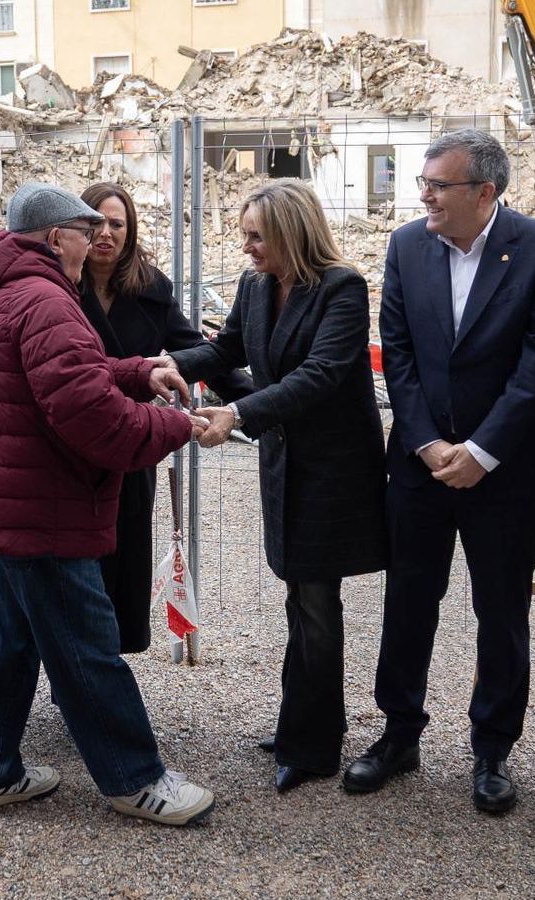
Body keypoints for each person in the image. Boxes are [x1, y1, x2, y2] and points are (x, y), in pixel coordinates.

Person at [0, 182, 215, 826]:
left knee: (6, 643)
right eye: (85, 225)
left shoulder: (12, 290)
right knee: (87, 650)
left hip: (14, 501)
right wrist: (180, 428)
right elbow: (92, 419)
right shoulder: (44, 299)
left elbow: (71, 374)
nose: (98, 235)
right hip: (48, 508)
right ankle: (133, 779)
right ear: (54, 238)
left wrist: (137, 372)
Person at [343, 128, 535, 809]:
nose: (424, 197)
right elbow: (399, 349)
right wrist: (424, 442)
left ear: (485, 192)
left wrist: (481, 451)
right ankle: (398, 734)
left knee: (500, 610)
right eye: (423, 184)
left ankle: (493, 750)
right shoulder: (407, 244)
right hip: (420, 468)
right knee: (408, 602)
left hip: (506, 472)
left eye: (436, 186)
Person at [164, 178, 388, 793]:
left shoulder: (341, 289)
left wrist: (238, 414)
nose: (247, 248)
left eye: (256, 236)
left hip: (333, 475)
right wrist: (168, 365)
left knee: (315, 603)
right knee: (301, 599)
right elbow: (229, 347)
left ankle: (314, 747)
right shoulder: (256, 285)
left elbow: (321, 375)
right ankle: (303, 725)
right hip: (286, 467)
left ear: (291, 231)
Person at [77, 181, 252, 654]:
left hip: (129, 440)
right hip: (70, 440)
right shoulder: (57, 284)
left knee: (125, 548)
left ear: (130, 232)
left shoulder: (150, 289)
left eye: (118, 224)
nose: (106, 233)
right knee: (75, 559)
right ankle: (74, 663)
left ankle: (107, 658)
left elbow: (197, 348)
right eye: (96, 222)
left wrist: (253, 404)